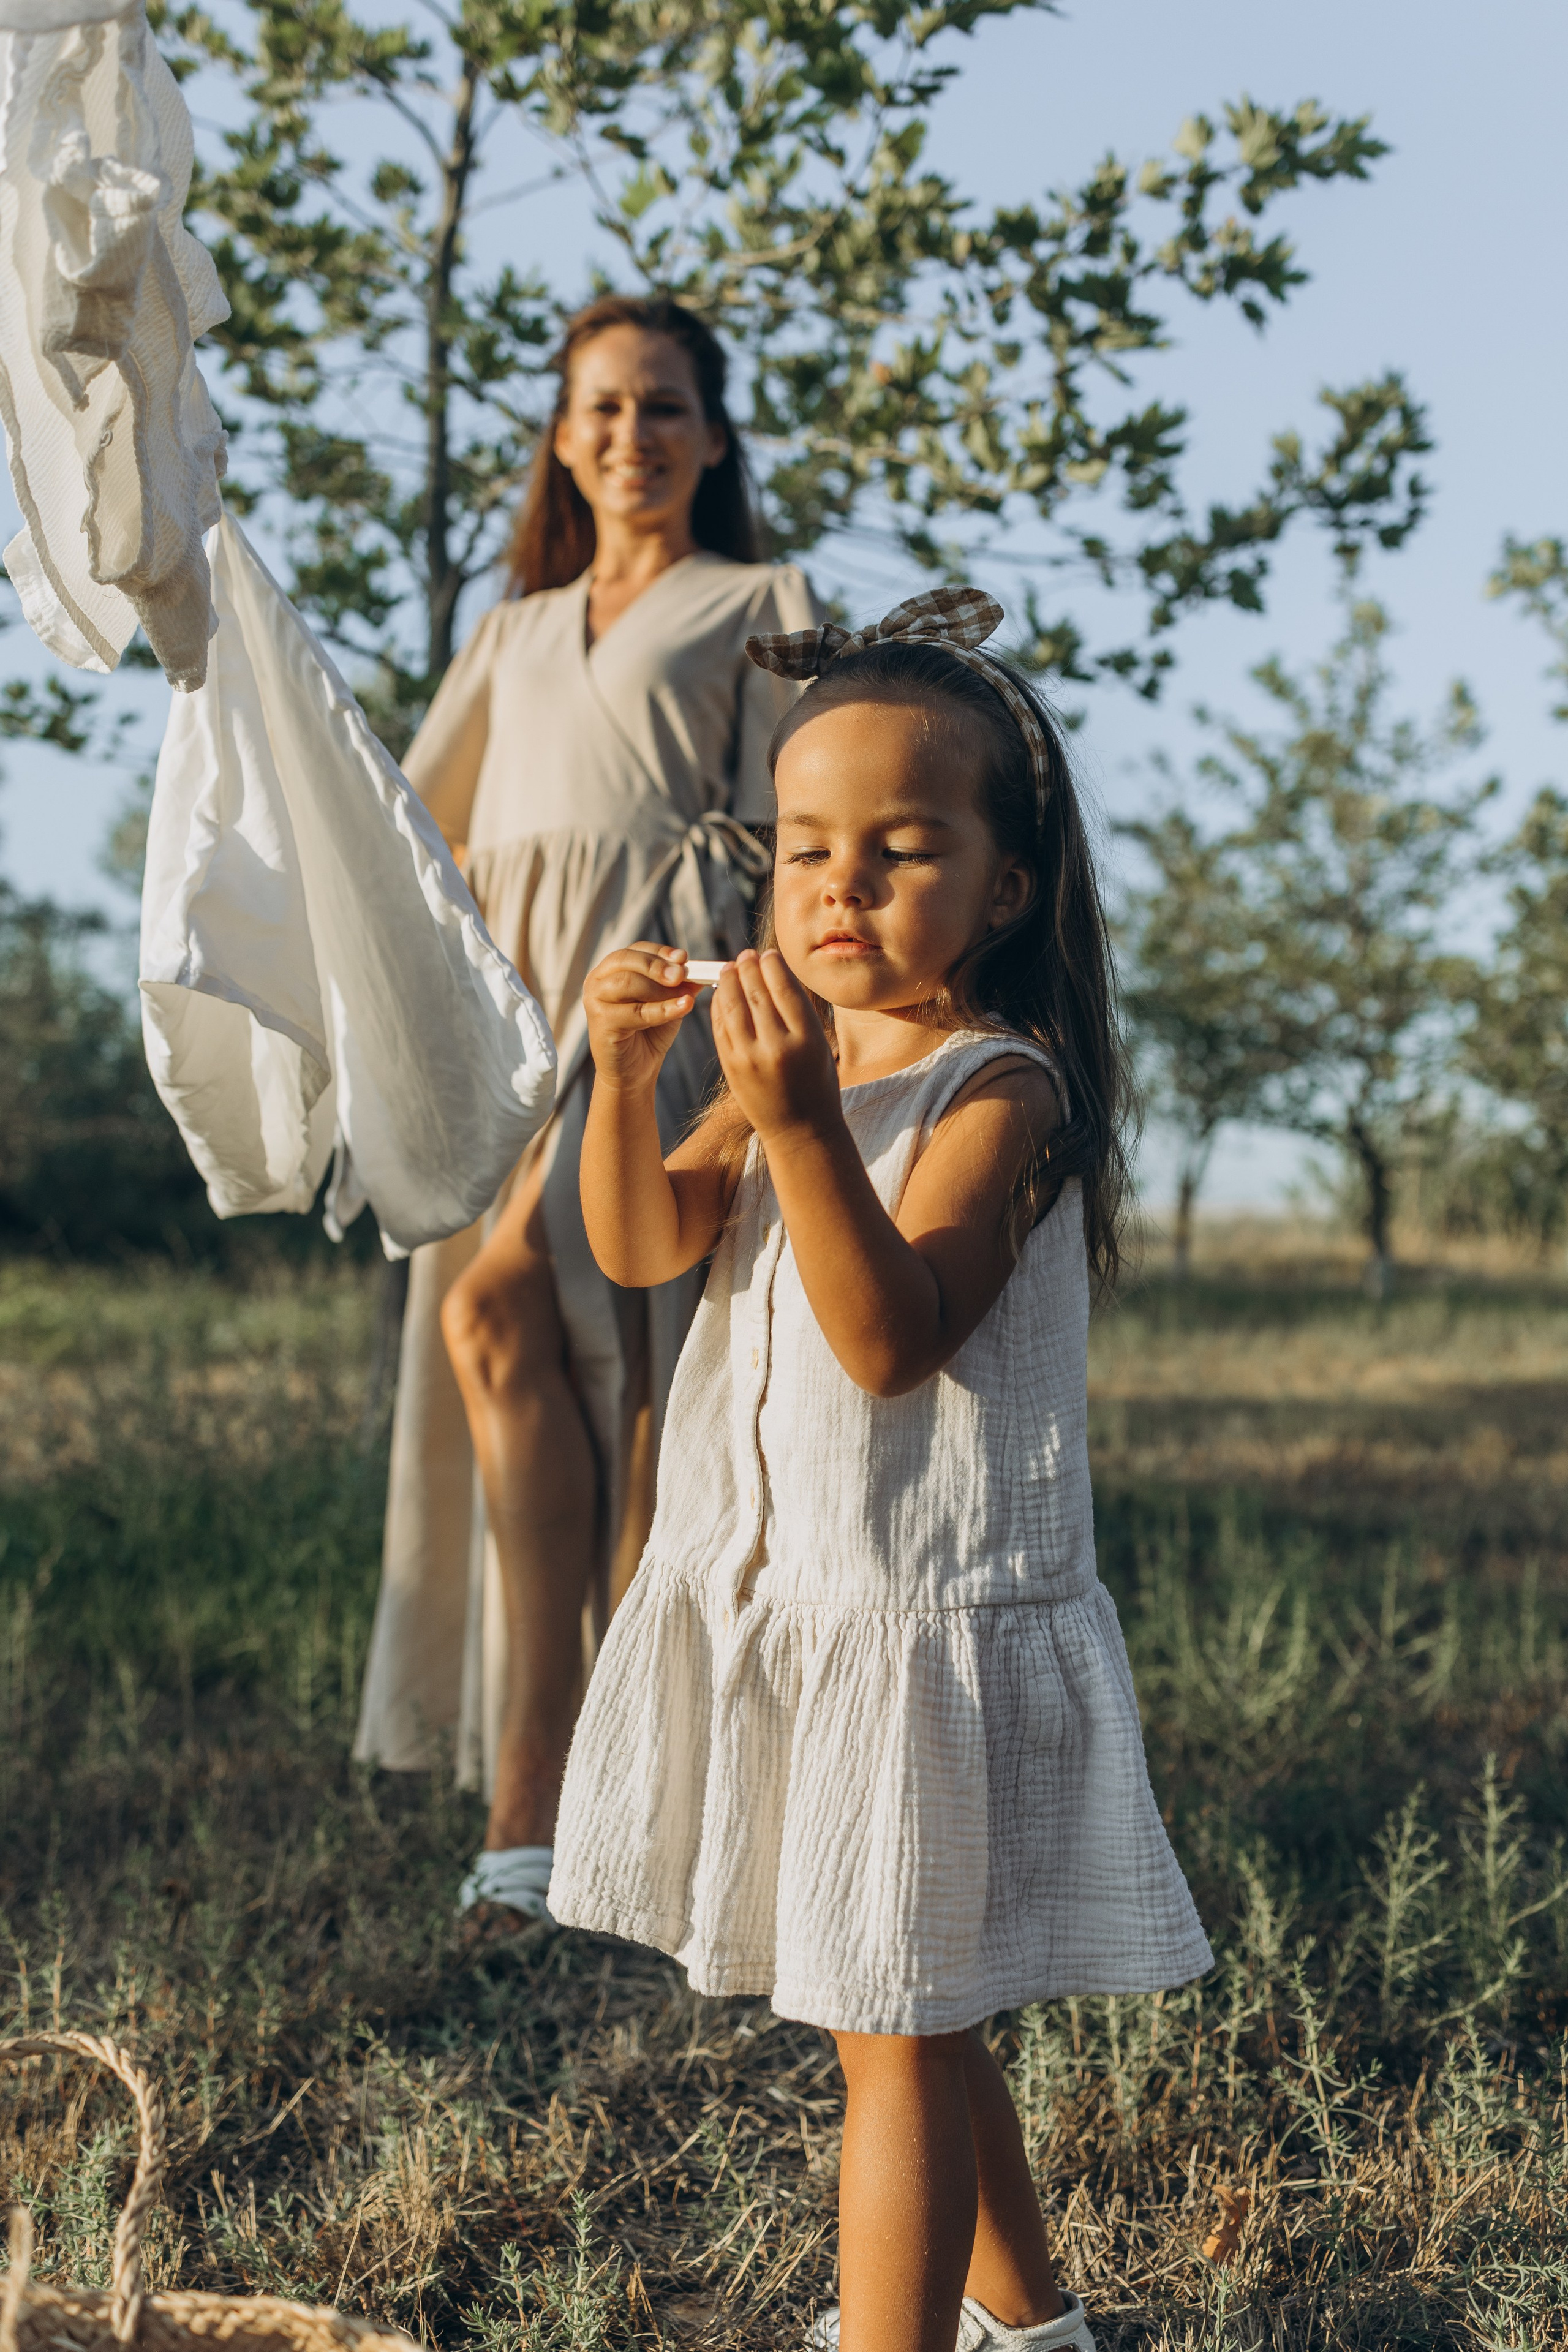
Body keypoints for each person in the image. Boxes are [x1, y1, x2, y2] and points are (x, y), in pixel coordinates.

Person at [547, 589, 1213, 2352]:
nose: (837, 888)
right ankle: (1043, 2330)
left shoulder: (1000, 1087)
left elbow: (892, 1333)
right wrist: (628, 1081)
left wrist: (795, 1121)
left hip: (917, 1628)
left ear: (1001, 891)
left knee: (899, 2036)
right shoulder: (805, 1068)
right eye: (804, 850)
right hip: (804, 1602)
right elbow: (639, 1246)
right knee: (898, 2019)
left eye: (900, 851)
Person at [352, 295, 817, 1929]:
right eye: (604, 409)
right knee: (519, 1353)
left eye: (668, 407)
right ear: (563, 436)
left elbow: (799, 839)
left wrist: (756, 1048)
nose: (635, 436)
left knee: (619, 1388)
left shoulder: (762, 599)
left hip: (665, 1009)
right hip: (519, 1032)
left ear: (712, 433)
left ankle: (555, 1803)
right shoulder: (513, 632)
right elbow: (421, 843)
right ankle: (566, 1791)